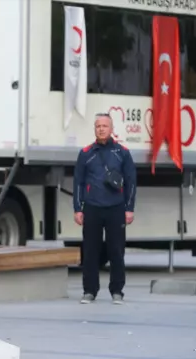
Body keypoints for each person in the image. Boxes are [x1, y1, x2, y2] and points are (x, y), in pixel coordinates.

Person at [73, 112, 137, 305]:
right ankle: (89, 291)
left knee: (116, 250)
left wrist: (129, 208)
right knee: (90, 251)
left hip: (116, 208)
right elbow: (78, 182)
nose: (101, 129)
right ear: (95, 129)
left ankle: (117, 290)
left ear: (112, 129)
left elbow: (131, 182)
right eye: (98, 126)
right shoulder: (85, 154)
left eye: (105, 126)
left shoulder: (122, 153)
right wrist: (78, 208)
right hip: (92, 207)